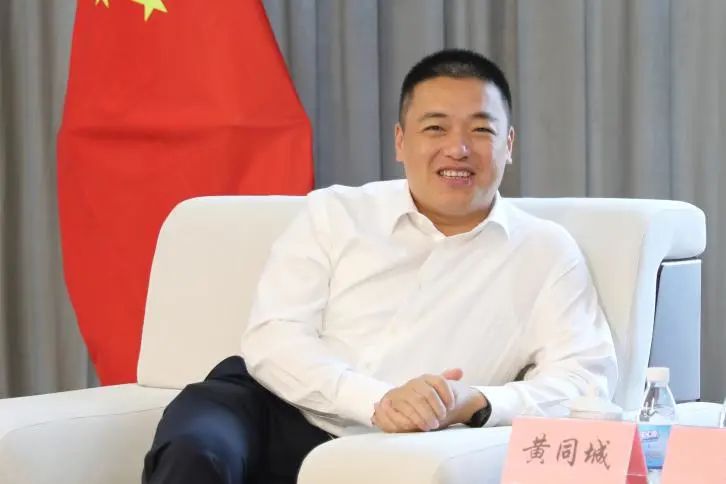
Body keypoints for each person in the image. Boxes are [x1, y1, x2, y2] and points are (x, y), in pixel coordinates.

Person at [141, 48, 617, 484]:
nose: (458, 148)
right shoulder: (335, 213)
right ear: (400, 141)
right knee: (196, 450)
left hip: (412, 447)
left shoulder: (545, 251)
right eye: (436, 128)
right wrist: (376, 401)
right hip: (275, 407)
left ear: (509, 144)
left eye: (480, 129)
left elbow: (585, 381)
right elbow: (274, 337)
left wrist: (476, 402)